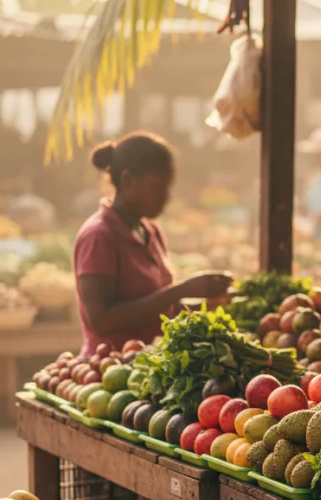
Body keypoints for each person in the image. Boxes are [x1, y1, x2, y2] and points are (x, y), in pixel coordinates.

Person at [74, 132, 233, 357]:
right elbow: (101, 320)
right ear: (128, 180)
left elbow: (161, 310)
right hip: (108, 368)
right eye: (157, 187)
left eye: (167, 188)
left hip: (150, 363)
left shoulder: (150, 231)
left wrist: (215, 303)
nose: (166, 197)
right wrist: (182, 290)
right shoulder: (99, 235)